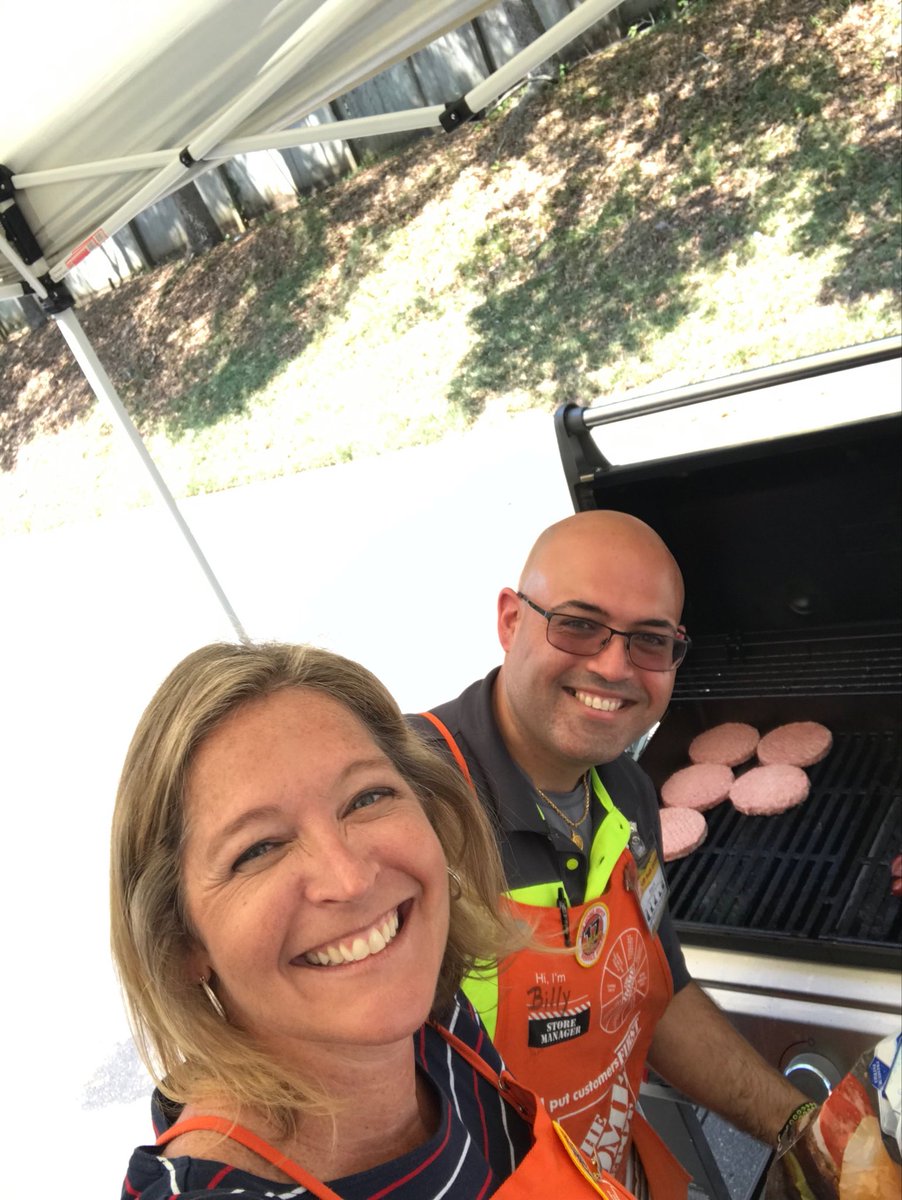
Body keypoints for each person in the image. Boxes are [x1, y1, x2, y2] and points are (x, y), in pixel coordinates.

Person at [112, 640, 640, 1199]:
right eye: (259, 849)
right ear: (181, 943)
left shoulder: (436, 1017)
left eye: (367, 798)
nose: (350, 880)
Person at [412, 510, 813, 1199]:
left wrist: (800, 1129)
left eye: (650, 641)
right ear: (511, 620)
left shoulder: (625, 789)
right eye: (578, 623)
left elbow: (658, 997)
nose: (613, 665)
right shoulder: (408, 806)